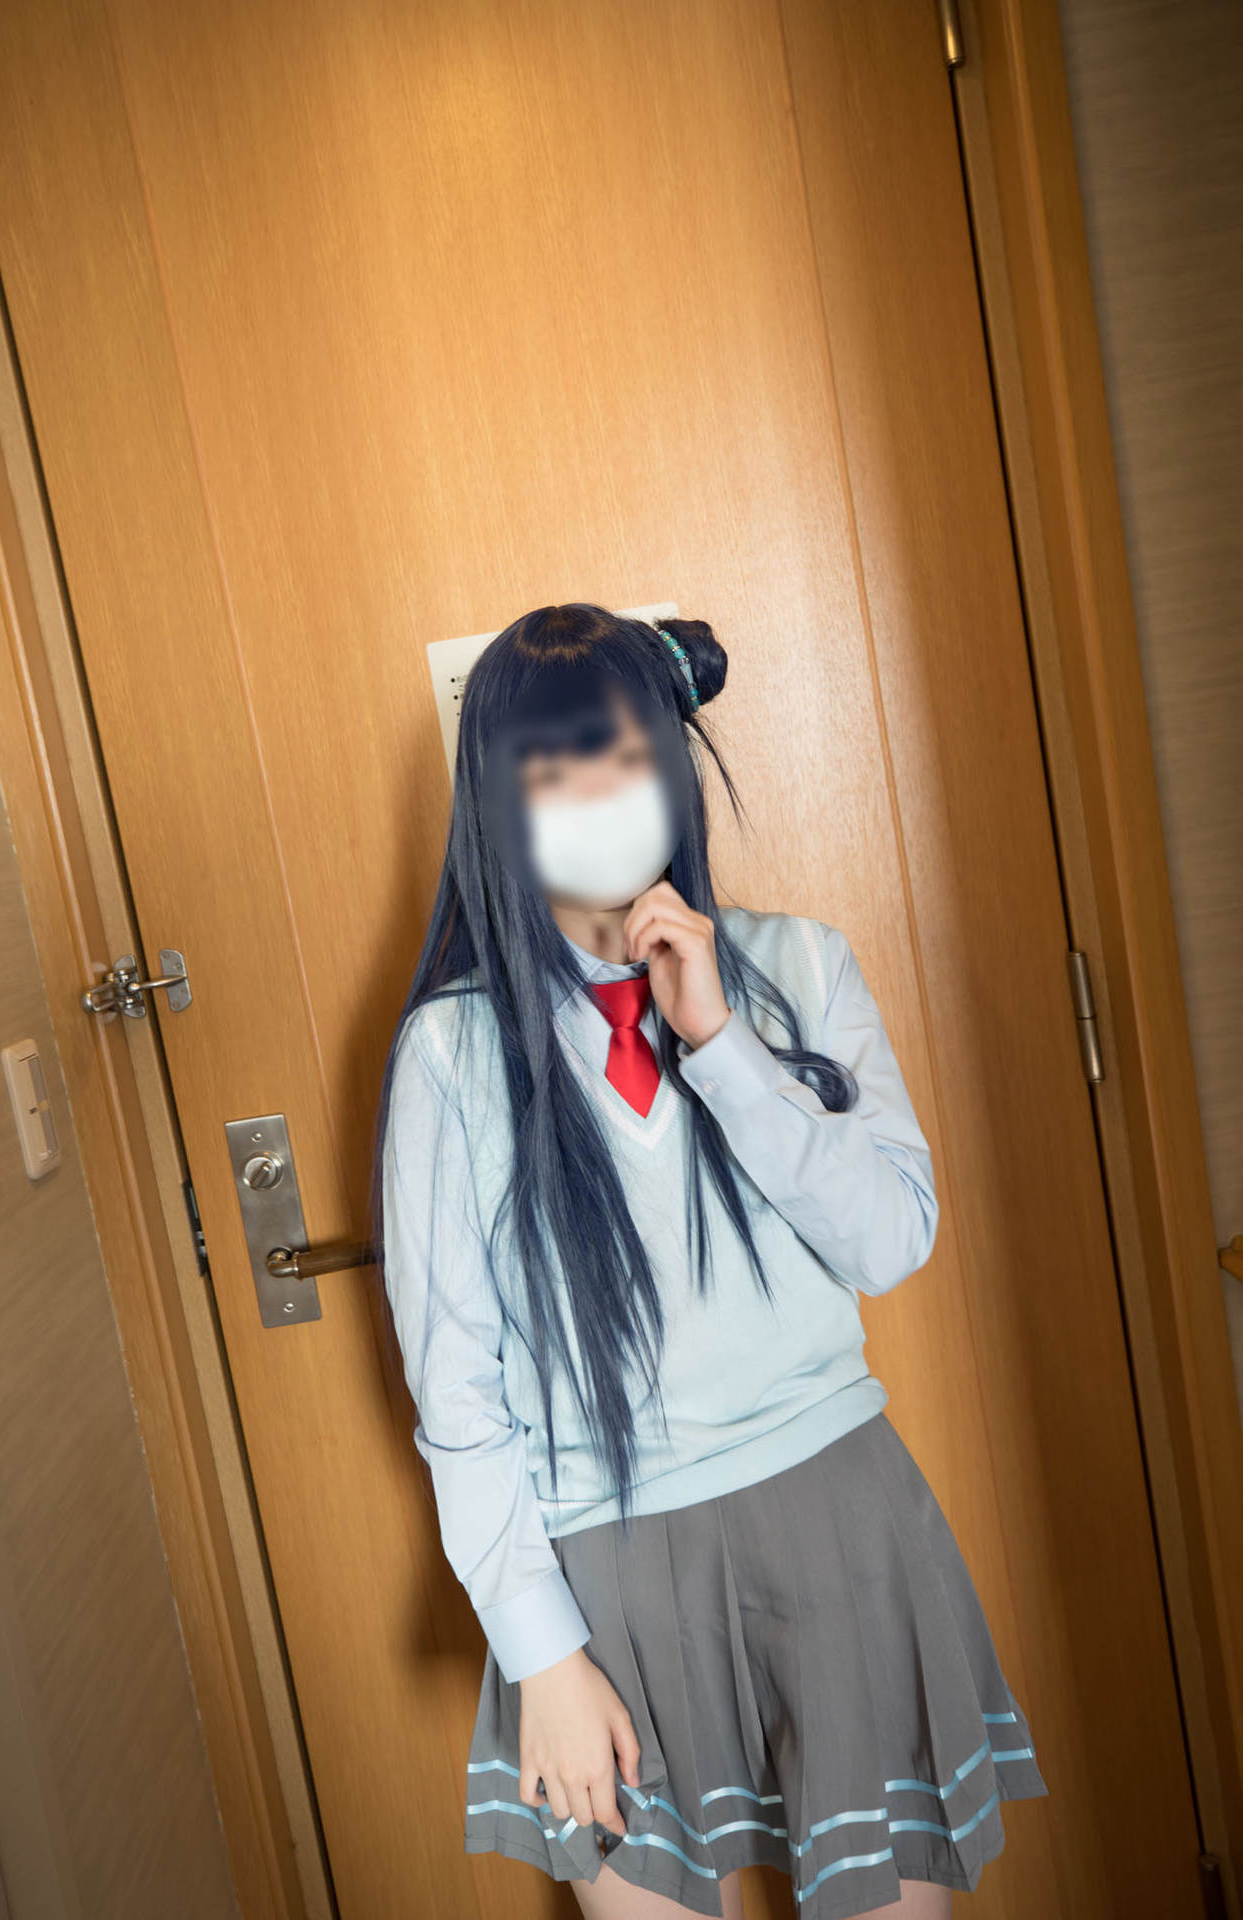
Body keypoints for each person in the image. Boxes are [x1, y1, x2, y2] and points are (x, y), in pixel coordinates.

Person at [371, 604, 1048, 1919]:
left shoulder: (799, 966)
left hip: (841, 1523)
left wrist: (724, 1047)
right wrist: (542, 1655)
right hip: (604, 1576)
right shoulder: (452, 1054)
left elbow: (890, 1241)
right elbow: (457, 1394)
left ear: (673, 766)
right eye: (552, 772)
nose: (596, 798)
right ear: (497, 801)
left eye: (624, 757)